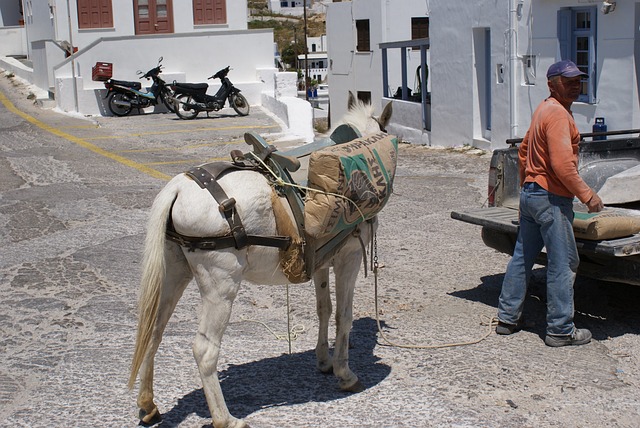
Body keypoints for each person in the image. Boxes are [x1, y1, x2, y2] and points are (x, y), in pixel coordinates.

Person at [496, 60, 604, 347]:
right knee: (563, 262)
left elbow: (523, 151)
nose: (574, 85)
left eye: (577, 80)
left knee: (522, 258)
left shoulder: (544, 109)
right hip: (552, 199)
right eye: (567, 80)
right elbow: (562, 166)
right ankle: (560, 330)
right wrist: (588, 195)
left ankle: (507, 318)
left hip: (533, 194)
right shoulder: (557, 115)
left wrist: (524, 192)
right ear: (551, 84)